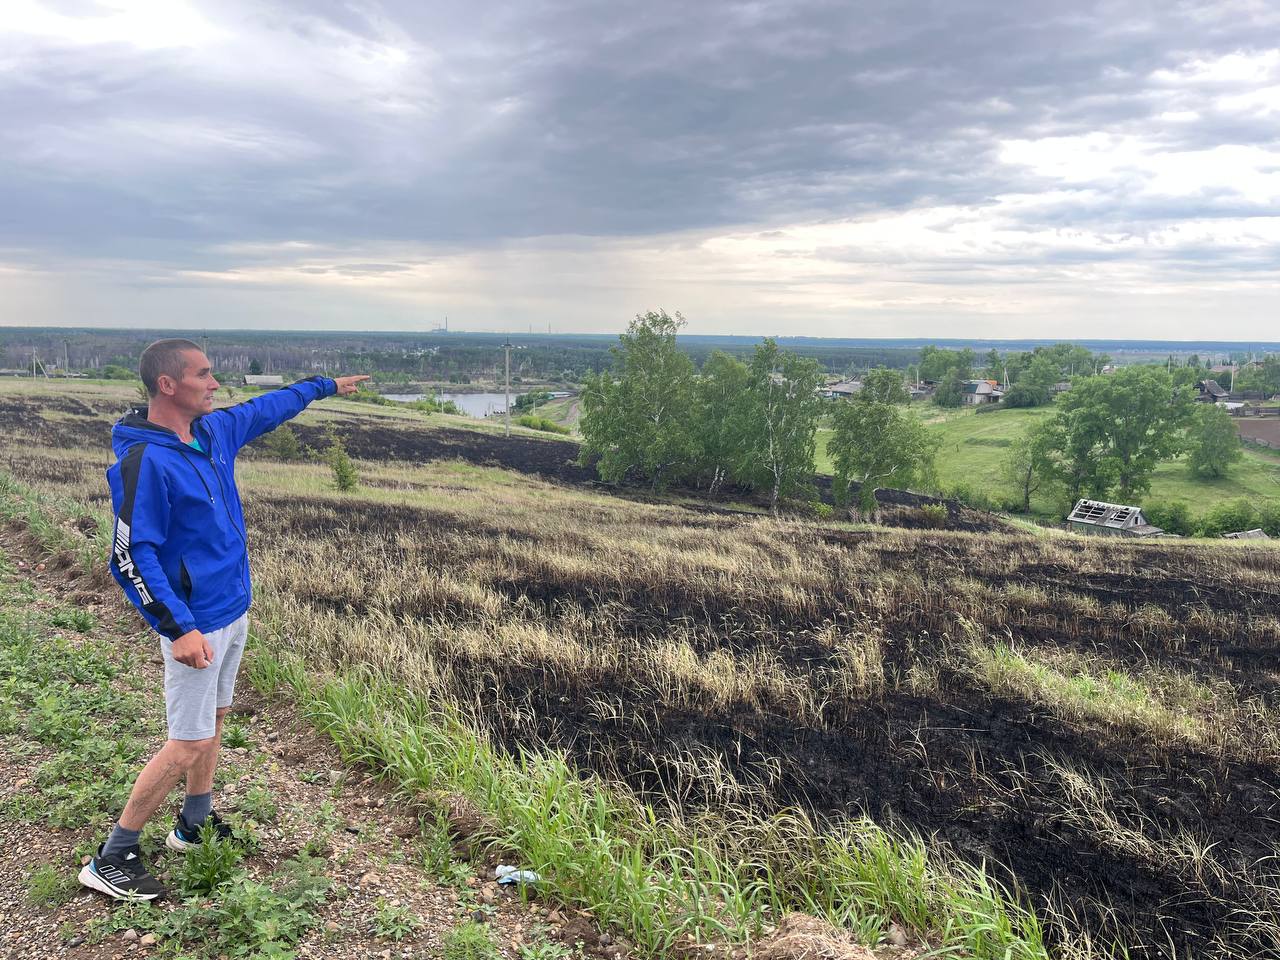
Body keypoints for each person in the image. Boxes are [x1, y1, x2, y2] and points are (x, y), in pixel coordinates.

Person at [78, 338, 368, 900]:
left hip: (233, 608)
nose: (215, 384)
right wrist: (178, 628)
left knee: (214, 719)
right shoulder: (146, 461)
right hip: (196, 622)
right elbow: (130, 554)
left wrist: (326, 387)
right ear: (168, 384)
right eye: (204, 375)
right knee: (187, 741)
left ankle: (194, 823)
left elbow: (269, 407)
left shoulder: (213, 433)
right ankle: (113, 856)